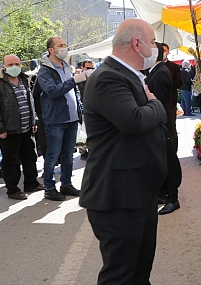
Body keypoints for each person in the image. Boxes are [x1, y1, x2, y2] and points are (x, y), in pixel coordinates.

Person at [80, 18, 168, 284]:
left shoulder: (128, 75)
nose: (156, 48)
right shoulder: (108, 77)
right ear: (137, 43)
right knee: (120, 275)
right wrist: (157, 106)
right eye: (153, 42)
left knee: (139, 272)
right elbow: (133, 120)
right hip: (119, 195)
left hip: (137, 191)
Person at [0, 55, 43, 200]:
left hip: (26, 128)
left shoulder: (24, 80)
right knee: (11, 162)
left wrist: (33, 121)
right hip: (9, 131)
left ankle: (31, 183)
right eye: (10, 64)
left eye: (17, 63)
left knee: (30, 157)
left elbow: (30, 102)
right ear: (3, 66)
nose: (14, 67)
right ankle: (13, 190)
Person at [37, 37, 85, 201]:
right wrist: (73, 81)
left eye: (65, 45)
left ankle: (66, 184)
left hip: (71, 118)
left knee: (68, 155)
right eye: (60, 46)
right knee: (52, 155)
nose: (65, 48)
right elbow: (52, 91)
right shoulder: (45, 71)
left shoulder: (66, 66)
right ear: (51, 49)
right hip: (56, 119)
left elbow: (74, 93)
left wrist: (80, 110)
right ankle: (49, 188)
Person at [146, 42, 182, 215]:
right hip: (160, 121)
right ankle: (163, 193)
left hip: (162, 122)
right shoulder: (156, 71)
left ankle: (171, 197)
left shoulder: (160, 73)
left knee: (166, 159)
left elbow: (158, 102)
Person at [160, 43, 182, 150]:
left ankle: (173, 150)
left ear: (168, 52)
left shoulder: (174, 67)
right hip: (158, 102)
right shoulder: (153, 67)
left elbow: (179, 82)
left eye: (165, 50)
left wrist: (168, 85)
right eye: (162, 50)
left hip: (171, 101)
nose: (164, 52)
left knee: (171, 126)